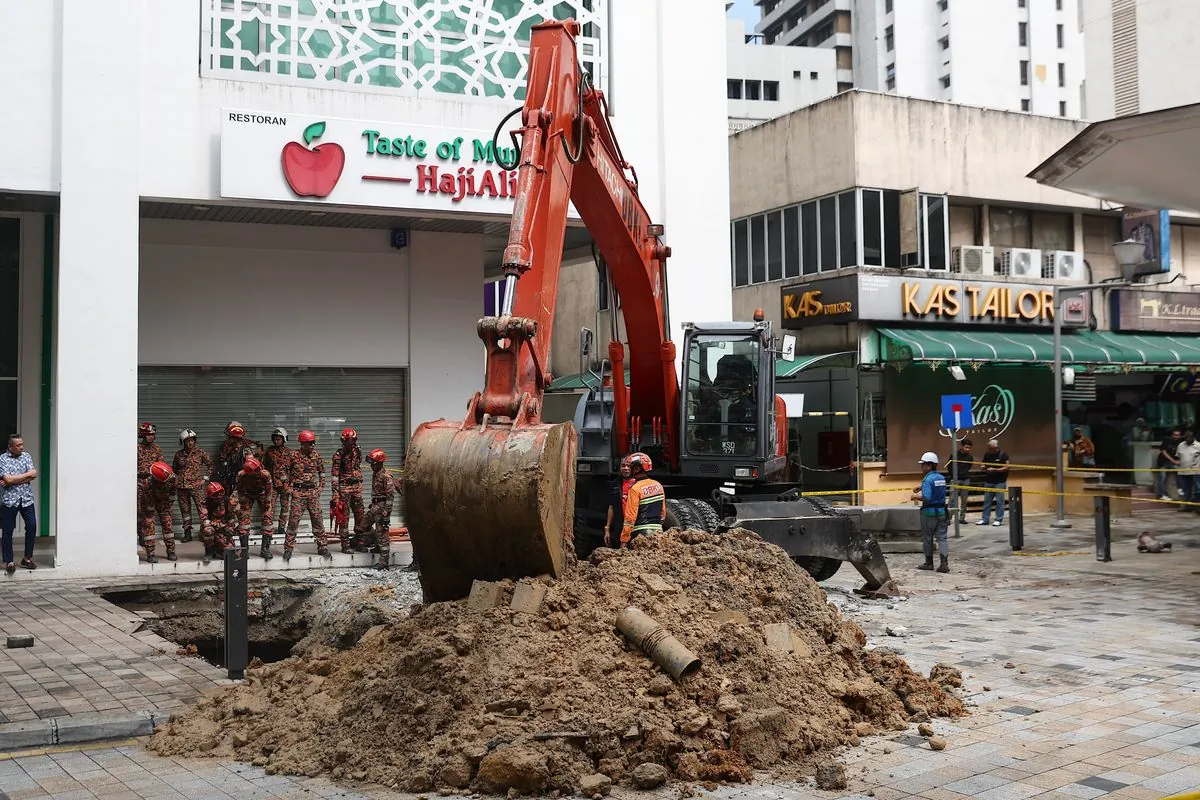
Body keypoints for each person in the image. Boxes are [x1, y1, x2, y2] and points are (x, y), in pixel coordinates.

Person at [356, 448, 401, 570]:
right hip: (375, 506)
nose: (371, 466)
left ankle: (383, 563)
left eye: (373, 463)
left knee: (382, 535)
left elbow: (390, 496)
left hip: (382, 508)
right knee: (364, 525)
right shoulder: (376, 473)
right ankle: (376, 543)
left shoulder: (386, 476)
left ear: (379, 463)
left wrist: (386, 514)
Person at [286, 430, 328, 560]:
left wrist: (321, 487)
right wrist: (288, 488)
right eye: (309, 444)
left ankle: (322, 547)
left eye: (313, 443)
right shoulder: (293, 456)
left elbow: (322, 472)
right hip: (298, 493)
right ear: (302, 444)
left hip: (312, 493)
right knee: (293, 522)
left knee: (318, 520)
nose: (312, 446)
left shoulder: (316, 456)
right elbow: (283, 473)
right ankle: (288, 548)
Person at [0, 434, 39, 573]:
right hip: (9, 501)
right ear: (10, 446)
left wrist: (12, 480)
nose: (22, 447)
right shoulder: (2, 459)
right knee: (7, 531)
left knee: (32, 526)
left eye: (22, 444)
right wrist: (25, 476)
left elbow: (34, 474)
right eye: (18, 445)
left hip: (26, 498)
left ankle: (27, 558)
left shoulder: (26, 456)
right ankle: (9, 561)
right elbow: (7, 480)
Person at [172, 428, 212, 544]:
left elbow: (211, 465)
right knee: (185, 512)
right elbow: (174, 470)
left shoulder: (200, 453)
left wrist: (205, 478)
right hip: (182, 488)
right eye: (187, 441)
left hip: (196, 487)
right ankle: (187, 533)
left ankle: (205, 532)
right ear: (183, 442)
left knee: (202, 510)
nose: (190, 443)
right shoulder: (179, 455)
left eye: (192, 440)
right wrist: (176, 481)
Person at [911, 451, 949, 573]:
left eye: (923, 464)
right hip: (942, 512)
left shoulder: (927, 480)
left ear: (929, 465)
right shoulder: (941, 478)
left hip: (929, 513)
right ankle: (944, 564)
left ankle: (929, 563)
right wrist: (921, 487)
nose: (921, 467)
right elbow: (936, 488)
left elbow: (927, 497)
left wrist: (915, 496)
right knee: (942, 538)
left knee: (928, 538)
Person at [619, 452, 665, 547]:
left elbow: (630, 518)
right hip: (658, 533)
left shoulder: (635, 489)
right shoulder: (658, 485)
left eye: (630, 467)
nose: (628, 469)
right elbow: (663, 514)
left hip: (640, 535)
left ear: (637, 469)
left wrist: (624, 540)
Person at [331, 428, 365, 553]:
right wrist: (335, 493)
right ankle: (345, 544)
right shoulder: (339, 455)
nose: (349, 444)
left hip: (356, 488)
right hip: (344, 489)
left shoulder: (358, 451)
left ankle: (360, 541)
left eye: (351, 441)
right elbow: (335, 475)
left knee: (360, 515)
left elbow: (357, 466)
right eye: (347, 441)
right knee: (344, 517)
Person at [235, 457, 275, 560]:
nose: (258, 472)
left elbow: (269, 490)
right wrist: (243, 501)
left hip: (262, 494)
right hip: (247, 494)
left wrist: (267, 502)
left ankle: (265, 549)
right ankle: (245, 550)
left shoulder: (265, 474)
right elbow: (239, 489)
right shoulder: (241, 475)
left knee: (267, 518)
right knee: (243, 520)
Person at [140, 461, 178, 563]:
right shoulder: (147, 484)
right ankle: (150, 553)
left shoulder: (172, 478)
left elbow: (173, 493)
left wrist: (169, 505)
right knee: (149, 525)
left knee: (168, 524)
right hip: (150, 501)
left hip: (164, 502)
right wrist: (149, 512)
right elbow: (146, 502)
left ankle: (171, 551)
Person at [213, 421, 263, 494]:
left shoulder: (248, 445)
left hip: (245, 476)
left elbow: (258, 456)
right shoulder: (226, 445)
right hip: (231, 477)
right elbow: (222, 462)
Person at [263, 428, 293, 542]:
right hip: (272, 485)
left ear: (283, 440)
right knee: (269, 507)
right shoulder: (269, 451)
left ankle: (281, 527)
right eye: (275, 439)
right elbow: (264, 466)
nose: (276, 442)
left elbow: (293, 469)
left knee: (285, 507)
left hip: (285, 485)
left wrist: (291, 484)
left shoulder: (289, 452)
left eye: (279, 439)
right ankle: (268, 528)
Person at [136, 423, 164, 543]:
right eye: (148, 435)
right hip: (139, 483)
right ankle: (140, 534)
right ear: (143, 435)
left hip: (153, 485)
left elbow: (161, 466)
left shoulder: (157, 449)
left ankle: (146, 534)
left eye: (152, 435)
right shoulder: (136, 448)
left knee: (150, 511)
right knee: (139, 510)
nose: (150, 437)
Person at [200, 481, 236, 564]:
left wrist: (230, 529)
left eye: (221, 492)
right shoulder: (205, 503)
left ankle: (218, 549)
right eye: (216, 494)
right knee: (207, 530)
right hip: (212, 529)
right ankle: (209, 552)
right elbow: (205, 521)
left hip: (224, 530)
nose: (219, 496)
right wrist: (220, 525)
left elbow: (231, 518)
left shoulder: (228, 502)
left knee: (230, 554)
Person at [978, 438, 1010, 527]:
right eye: (988, 448)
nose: (989, 449)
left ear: (995, 448)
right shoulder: (987, 454)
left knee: (1000, 502)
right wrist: (983, 467)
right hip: (988, 481)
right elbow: (983, 463)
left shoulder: (1003, 455)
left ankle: (998, 519)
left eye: (990, 448)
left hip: (1000, 482)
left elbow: (1007, 467)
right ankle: (985, 519)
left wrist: (995, 469)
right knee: (987, 501)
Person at [604, 459, 634, 548]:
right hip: (619, 526)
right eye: (623, 465)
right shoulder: (615, 483)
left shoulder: (638, 483)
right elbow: (611, 506)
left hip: (634, 527)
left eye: (629, 466)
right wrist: (607, 529)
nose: (625, 468)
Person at [945, 438, 974, 523]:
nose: (968, 449)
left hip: (965, 479)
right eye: (966, 447)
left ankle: (962, 518)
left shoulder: (970, 457)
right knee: (952, 500)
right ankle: (948, 518)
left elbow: (969, 467)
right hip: (955, 479)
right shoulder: (954, 455)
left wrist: (963, 473)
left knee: (964, 500)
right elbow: (949, 466)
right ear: (962, 446)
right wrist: (953, 475)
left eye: (969, 448)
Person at [1175, 429, 1200, 510]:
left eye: (1189, 437)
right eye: (1186, 437)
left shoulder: (1198, 445)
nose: (1187, 439)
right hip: (1183, 470)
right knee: (1186, 489)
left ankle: (1197, 506)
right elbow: (1178, 457)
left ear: (1193, 437)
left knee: (1197, 489)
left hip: (1196, 470)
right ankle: (1187, 506)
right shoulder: (1181, 445)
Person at [1156, 427, 1182, 501]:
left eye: (1178, 435)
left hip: (1171, 462)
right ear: (1172, 435)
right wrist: (1173, 461)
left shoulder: (1179, 442)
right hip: (1162, 462)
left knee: (1180, 471)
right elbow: (1163, 451)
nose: (1176, 436)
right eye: (1174, 435)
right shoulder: (1167, 440)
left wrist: (1179, 460)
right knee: (1162, 477)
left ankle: (1180, 488)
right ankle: (1161, 495)